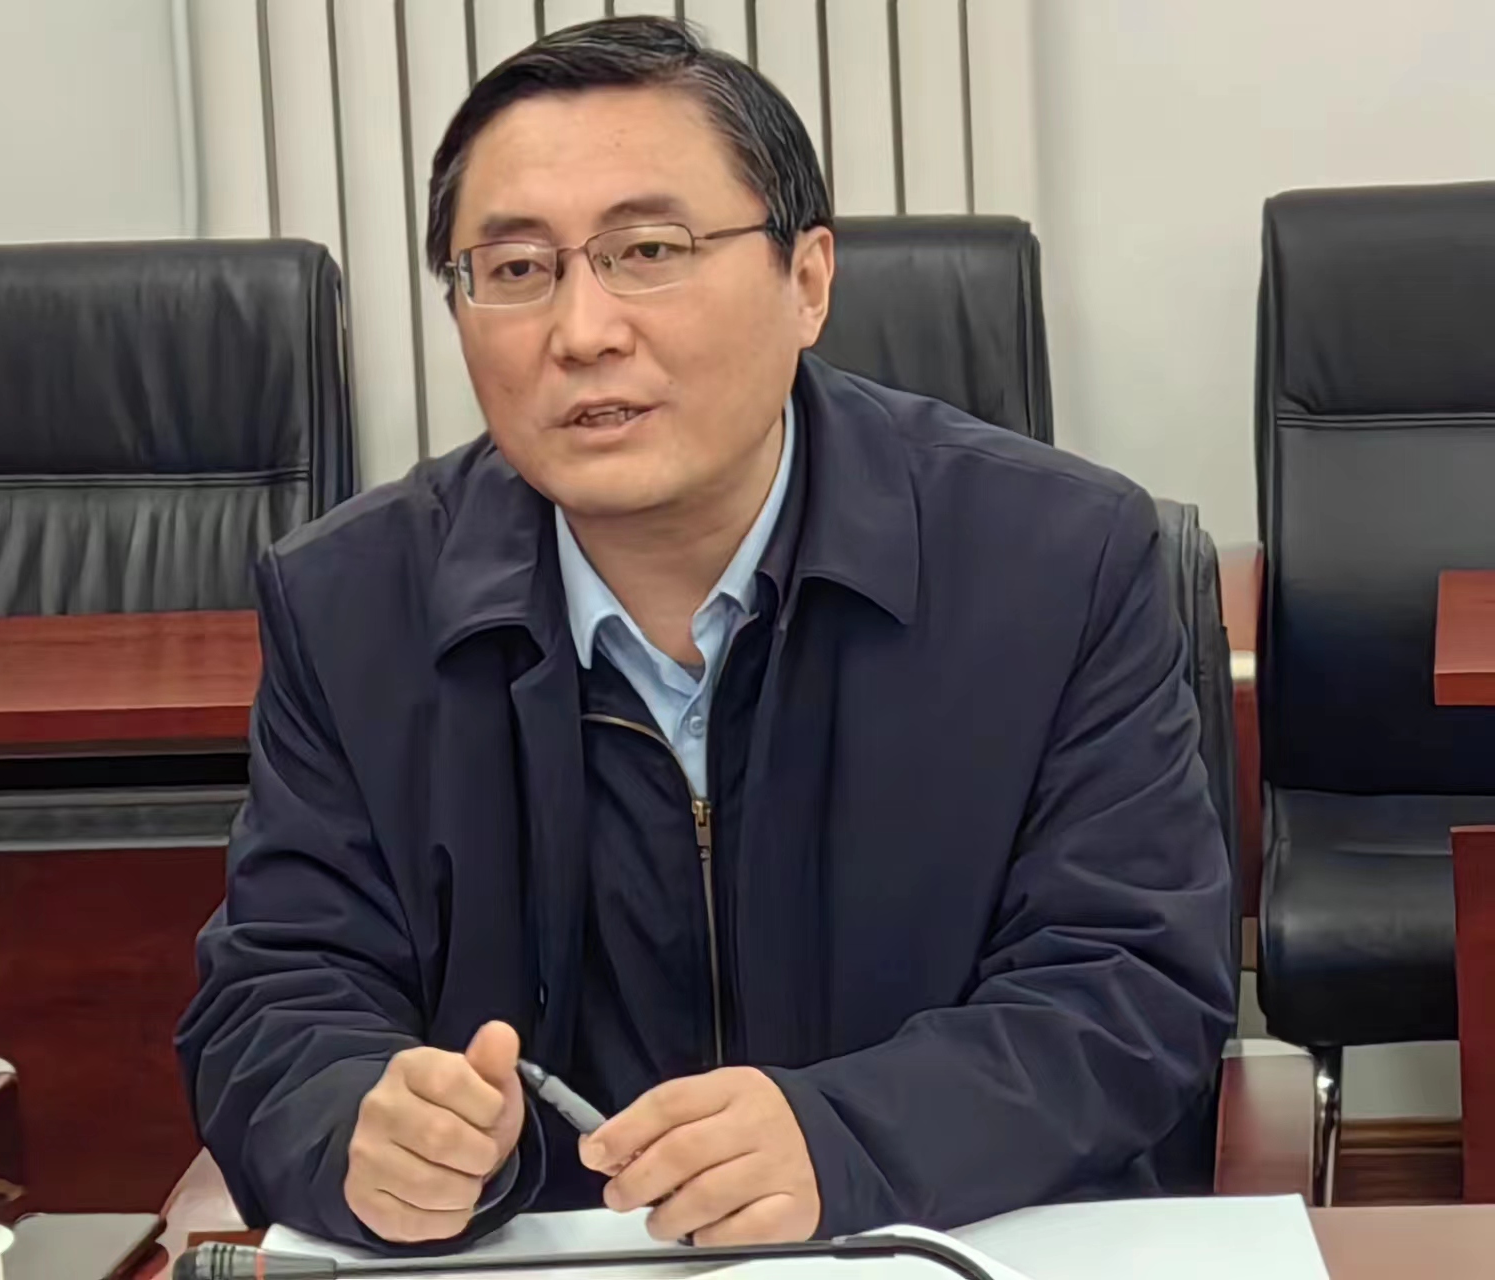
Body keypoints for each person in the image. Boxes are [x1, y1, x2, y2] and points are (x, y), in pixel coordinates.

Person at [177, 15, 1233, 1254]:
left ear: (807, 281)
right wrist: (352, 1121)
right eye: (513, 269)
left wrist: (847, 1135)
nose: (581, 330)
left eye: (647, 251)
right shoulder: (349, 604)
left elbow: (1130, 983)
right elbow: (271, 1003)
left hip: (940, 1242)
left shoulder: (1059, 561)